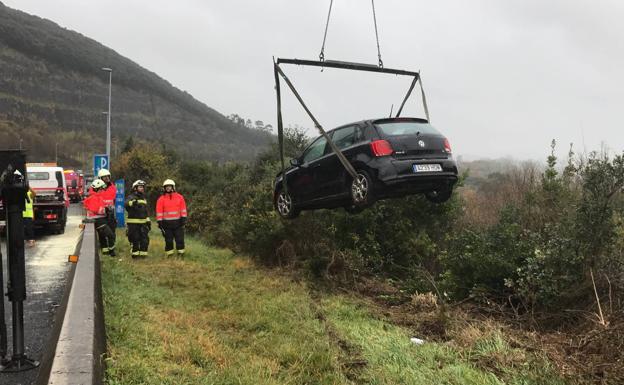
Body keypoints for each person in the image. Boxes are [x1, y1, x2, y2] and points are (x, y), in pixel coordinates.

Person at [83, 179, 116, 256]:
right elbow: (95, 209)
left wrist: (106, 207)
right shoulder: (93, 198)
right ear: (97, 189)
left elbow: (100, 207)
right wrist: (106, 210)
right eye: (101, 189)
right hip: (98, 220)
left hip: (101, 219)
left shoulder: (98, 197)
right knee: (110, 235)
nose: (102, 191)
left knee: (103, 237)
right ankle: (111, 251)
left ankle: (105, 252)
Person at [156, 179, 187, 257]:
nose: (168, 188)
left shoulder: (180, 197)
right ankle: (169, 255)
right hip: (166, 225)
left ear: (173, 187)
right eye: (166, 187)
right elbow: (159, 211)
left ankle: (181, 254)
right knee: (168, 241)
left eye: (169, 186)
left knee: (180, 240)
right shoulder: (161, 199)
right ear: (164, 188)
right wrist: (159, 222)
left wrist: (183, 219)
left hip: (178, 223)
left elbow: (183, 209)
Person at [125, 180, 150, 259]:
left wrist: (148, 221)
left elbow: (146, 211)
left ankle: (143, 256)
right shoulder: (131, 197)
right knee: (135, 239)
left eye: (143, 187)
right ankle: (135, 256)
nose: (142, 188)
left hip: (143, 223)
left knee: (145, 240)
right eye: (140, 187)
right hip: (133, 224)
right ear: (135, 188)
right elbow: (126, 204)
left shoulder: (144, 198)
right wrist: (132, 203)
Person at [96, 169, 117, 249]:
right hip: (101, 214)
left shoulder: (112, 187)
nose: (107, 179)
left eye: (108, 177)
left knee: (112, 232)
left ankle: (112, 249)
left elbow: (113, 200)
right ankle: (104, 250)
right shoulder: (97, 187)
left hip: (111, 213)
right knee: (103, 234)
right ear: (100, 178)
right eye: (105, 177)